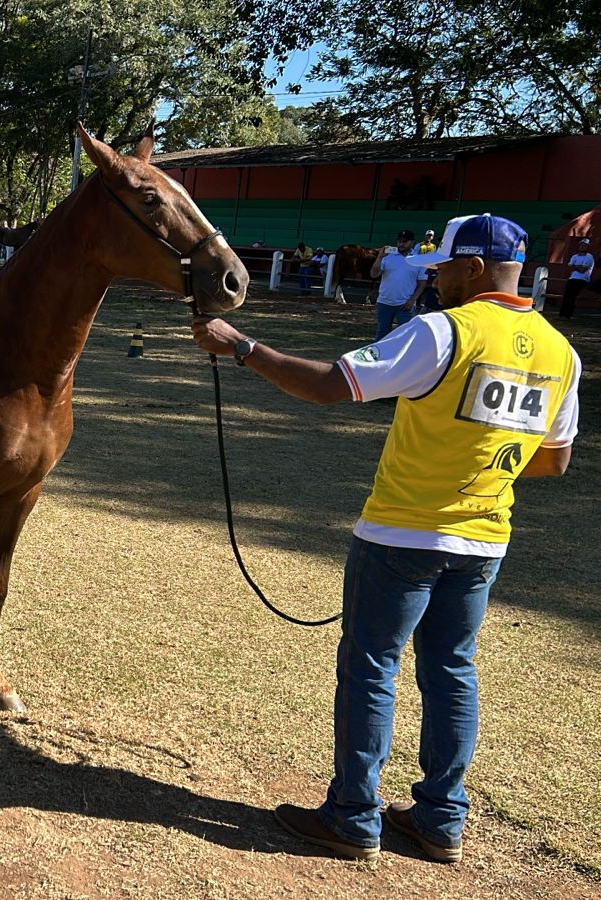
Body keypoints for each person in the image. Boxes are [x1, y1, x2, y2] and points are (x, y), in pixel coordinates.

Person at [191, 212, 579, 864]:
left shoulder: (440, 332)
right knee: (453, 673)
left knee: (372, 668)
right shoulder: (559, 352)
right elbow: (553, 459)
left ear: (474, 268)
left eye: (444, 268)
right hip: (483, 542)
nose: (436, 280)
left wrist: (241, 347)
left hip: (403, 533)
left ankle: (352, 816)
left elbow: (326, 386)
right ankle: (439, 820)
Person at [369, 228, 428, 340]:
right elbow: (374, 274)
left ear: (412, 242)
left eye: (405, 241)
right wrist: (379, 257)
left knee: (405, 334)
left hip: (405, 303)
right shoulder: (387, 257)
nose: (401, 244)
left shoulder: (419, 260)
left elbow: (422, 283)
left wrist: (412, 300)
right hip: (385, 301)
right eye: (399, 241)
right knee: (382, 332)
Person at [559, 237, 593, 319]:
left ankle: (567, 315)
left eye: (585, 245)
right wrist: (578, 267)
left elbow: (582, 270)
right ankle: (562, 314)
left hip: (582, 279)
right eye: (581, 245)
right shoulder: (574, 256)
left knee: (572, 295)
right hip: (572, 278)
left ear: (587, 247)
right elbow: (569, 267)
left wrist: (575, 266)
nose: (582, 247)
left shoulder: (589, 257)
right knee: (567, 295)